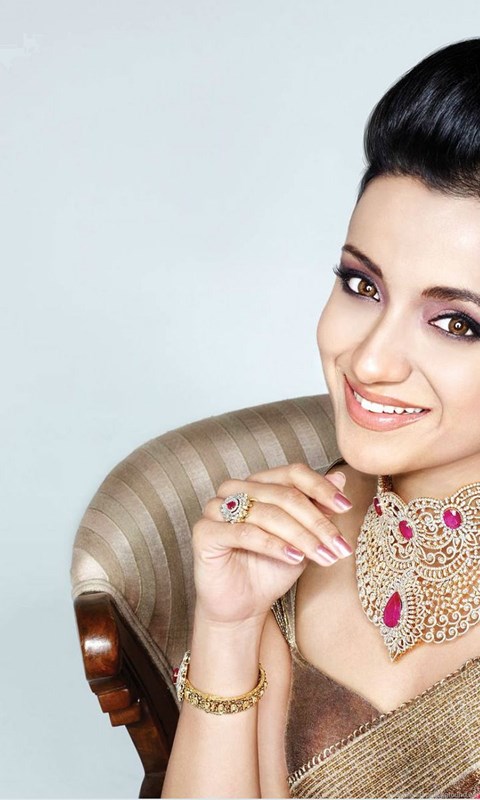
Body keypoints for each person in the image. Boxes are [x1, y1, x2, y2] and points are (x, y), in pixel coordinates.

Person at [162, 37, 480, 798]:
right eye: (362, 285)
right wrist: (229, 628)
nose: (368, 361)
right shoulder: (287, 548)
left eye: (457, 324)